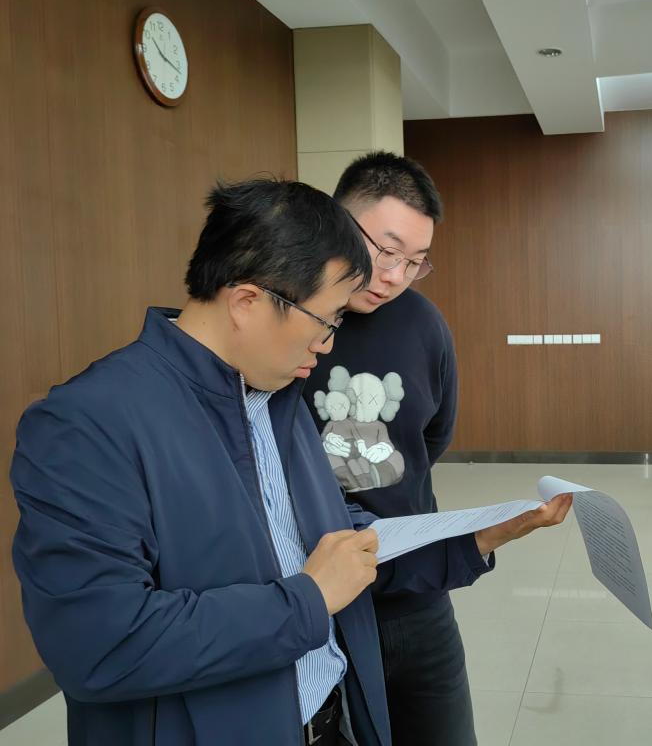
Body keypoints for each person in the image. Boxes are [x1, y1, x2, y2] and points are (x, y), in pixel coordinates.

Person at [11, 179, 571, 746]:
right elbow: (100, 646)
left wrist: (475, 538)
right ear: (247, 302)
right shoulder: (86, 423)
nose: (328, 345)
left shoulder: (277, 398)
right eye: (326, 320)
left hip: (331, 720)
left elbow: (334, 542)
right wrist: (309, 599)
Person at [302, 152, 487, 745]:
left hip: (415, 585)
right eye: (386, 250)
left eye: (415, 261)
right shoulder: (290, 317)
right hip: (315, 592)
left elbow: (431, 436)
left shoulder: (424, 324)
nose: (395, 275)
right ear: (337, 219)